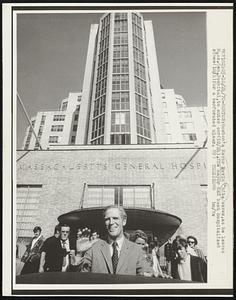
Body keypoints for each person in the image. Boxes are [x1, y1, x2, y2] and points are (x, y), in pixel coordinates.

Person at [81, 205, 149, 275]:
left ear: (124, 221)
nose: (111, 222)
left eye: (115, 218)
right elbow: (80, 278)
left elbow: (146, 278)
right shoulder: (94, 248)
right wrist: (79, 254)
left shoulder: (136, 250)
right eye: (107, 219)